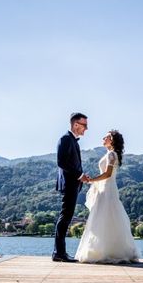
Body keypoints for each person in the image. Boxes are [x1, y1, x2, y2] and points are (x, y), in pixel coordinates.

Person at [75, 130, 139, 264]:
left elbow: (108, 174)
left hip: (107, 188)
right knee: (105, 217)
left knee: (104, 216)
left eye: (107, 136)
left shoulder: (111, 154)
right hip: (105, 188)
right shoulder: (110, 154)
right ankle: (107, 249)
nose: (103, 138)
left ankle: (106, 250)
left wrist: (91, 180)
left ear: (112, 140)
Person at [53, 112, 89, 263]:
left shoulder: (74, 141)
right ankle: (59, 253)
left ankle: (59, 253)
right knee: (65, 217)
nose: (86, 129)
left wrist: (81, 176)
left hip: (73, 184)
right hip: (69, 184)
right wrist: (79, 175)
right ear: (75, 125)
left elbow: (71, 164)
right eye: (84, 125)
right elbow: (61, 162)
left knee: (66, 217)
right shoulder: (65, 139)